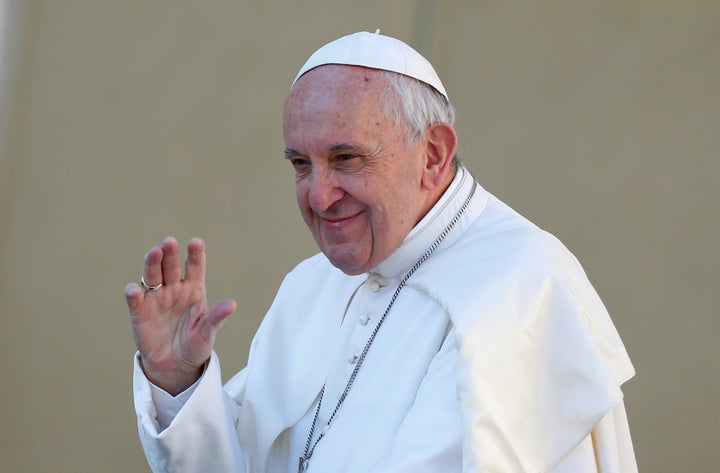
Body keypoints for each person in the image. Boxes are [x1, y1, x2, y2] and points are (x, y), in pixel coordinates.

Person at [126, 31, 637, 472]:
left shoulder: (521, 287)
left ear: (433, 155)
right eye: (301, 164)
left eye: (346, 158)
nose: (320, 196)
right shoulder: (314, 284)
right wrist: (180, 383)